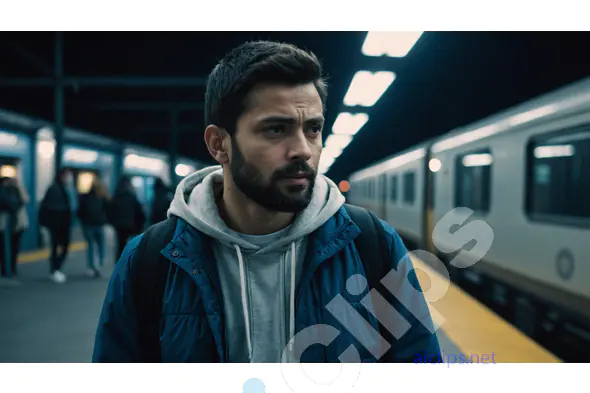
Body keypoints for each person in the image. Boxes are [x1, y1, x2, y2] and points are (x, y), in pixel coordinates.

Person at [93, 41, 440, 363]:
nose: (303, 149)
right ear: (219, 145)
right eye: (276, 129)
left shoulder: (372, 245)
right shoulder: (151, 260)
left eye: (313, 129)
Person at [39, 168, 73, 284]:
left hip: (61, 224)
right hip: (57, 224)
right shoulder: (55, 189)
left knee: (61, 247)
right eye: (67, 176)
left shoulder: (62, 189)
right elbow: (52, 206)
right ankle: (54, 270)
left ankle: (55, 269)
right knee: (57, 247)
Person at [108, 176, 146, 259]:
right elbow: (139, 212)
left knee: (120, 245)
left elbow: (110, 211)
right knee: (132, 245)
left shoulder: (116, 196)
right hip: (131, 225)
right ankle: (129, 261)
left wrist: (113, 222)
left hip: (119, 226)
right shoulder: (131, 196)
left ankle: (119, 262)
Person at [77, 178, 109, 278]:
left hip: (89, 225)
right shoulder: (103, 198)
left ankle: (92, 266)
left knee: (91, 246)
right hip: (98, 224)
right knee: (100, 245)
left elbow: (80, 211)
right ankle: (99, 263)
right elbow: (108, 210)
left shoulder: (85, 197)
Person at [0, 176, 27, 278]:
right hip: (7, 224)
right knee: (7, 246)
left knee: (14, 246)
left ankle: (11, 267)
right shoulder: (4, 193)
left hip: (17, 223)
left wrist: (19, 187)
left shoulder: (16, 190)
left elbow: (25, 199)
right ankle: (8, 268)